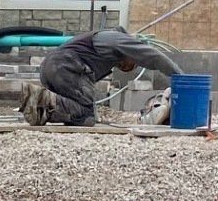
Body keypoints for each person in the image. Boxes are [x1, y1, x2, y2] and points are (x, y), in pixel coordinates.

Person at [20, 26, 181, 127]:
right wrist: (181, 77)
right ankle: (41, 100)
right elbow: (153, 56)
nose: (129, 68)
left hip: (54, 68)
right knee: (87, 114)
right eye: (133, 62)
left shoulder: (106, 49)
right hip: (65, 67)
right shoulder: (116, 39)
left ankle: (41, 107)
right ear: (130, 50)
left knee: (85, 118)